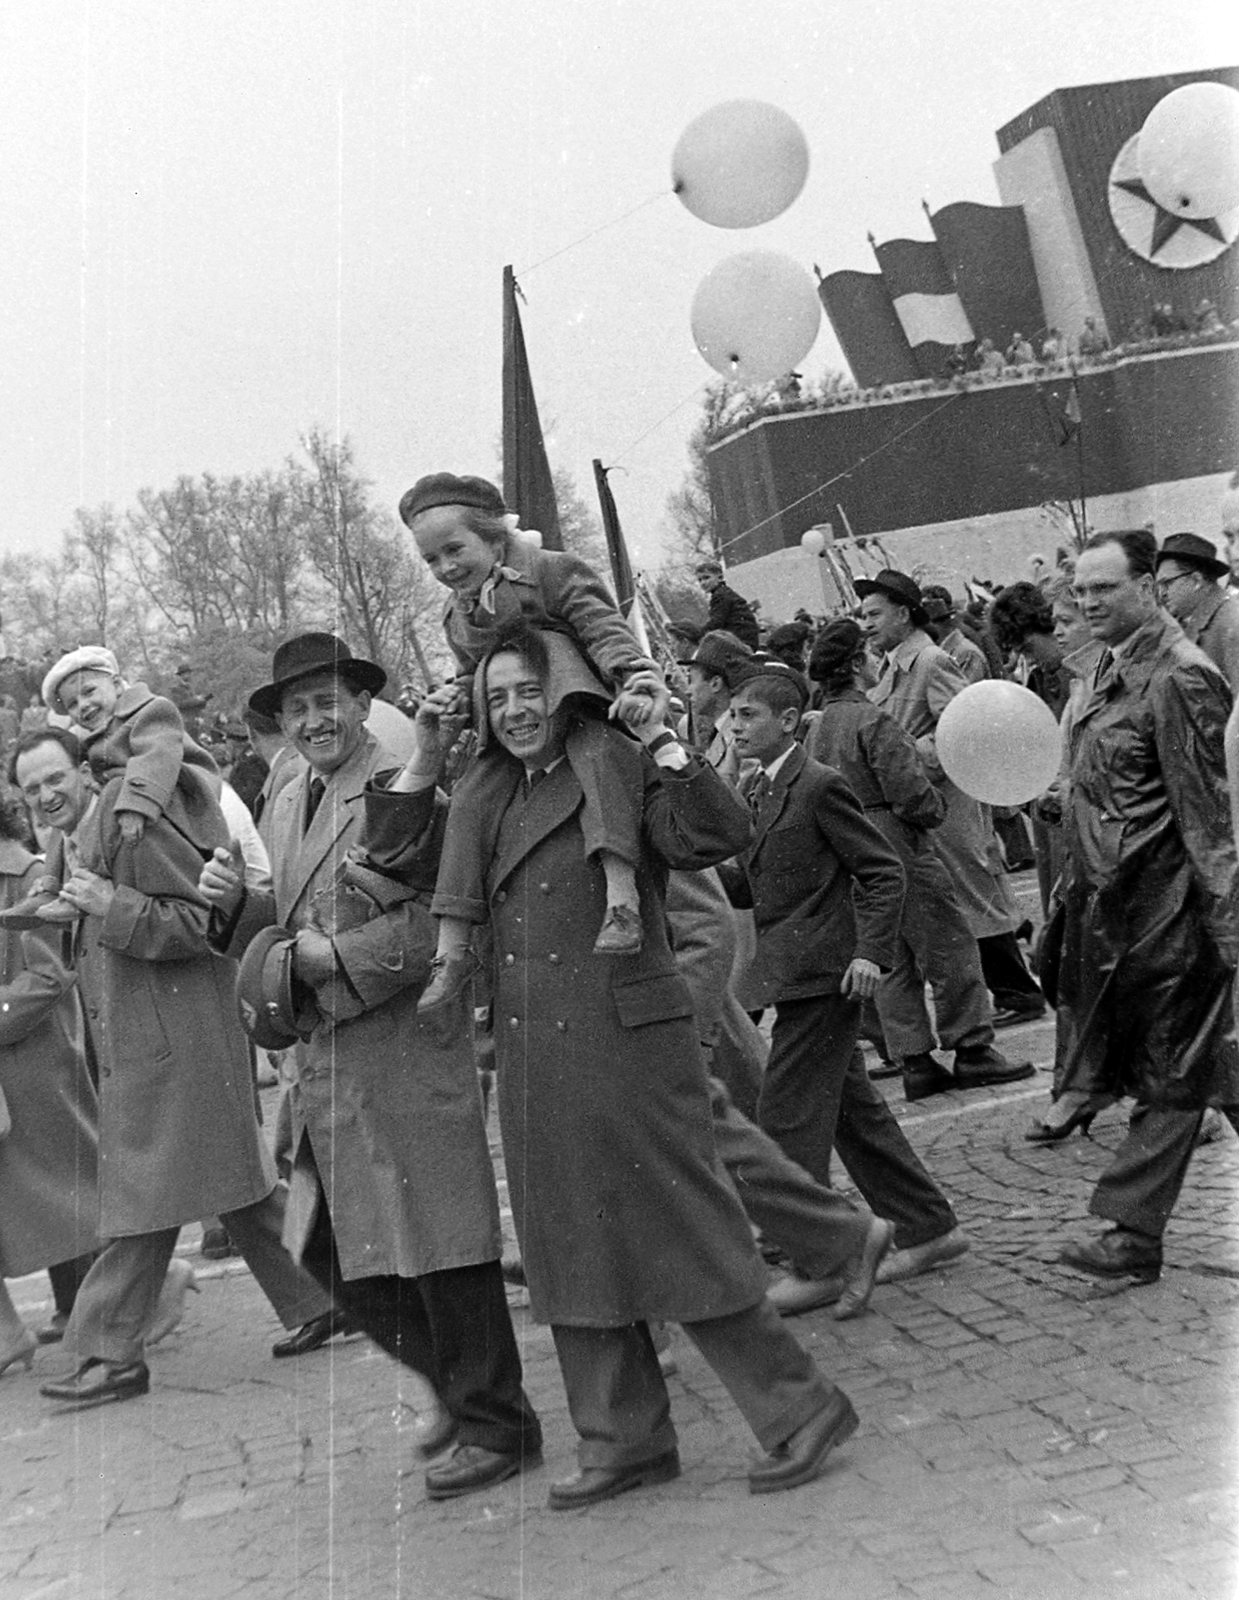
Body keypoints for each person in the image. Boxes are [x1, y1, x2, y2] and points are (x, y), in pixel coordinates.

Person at [387, 622, 864, 1506]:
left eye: (528, 690)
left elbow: (713, 833)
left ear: (563, 687)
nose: (515, 711)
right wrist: (423, 755)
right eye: (497, 699)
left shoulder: (613, 757)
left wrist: (666, 739)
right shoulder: (483, 786)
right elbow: (394, 864)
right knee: (569, 1245)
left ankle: (800, 1411)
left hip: (628, 1046)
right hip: (534, 1051)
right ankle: (623, 1440)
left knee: (678, 1231)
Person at [201, 632, 542, 1499]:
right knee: (316, 1241)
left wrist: (337, 959)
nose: (314, 720)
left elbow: (445, 920)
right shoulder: (287, 799)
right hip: (326, 1064)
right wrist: (234, 905)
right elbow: (282, 918)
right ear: (280, 725)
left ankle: (497, 1424)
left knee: (443, 1241)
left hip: (400, 1044)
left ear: (360, 706)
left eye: (327, 702)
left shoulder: (402, 786)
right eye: (296, 709)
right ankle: (453, 1391)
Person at [11, 728, 334, 1409]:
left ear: (86, 774)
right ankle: (322, 1296)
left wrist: (109, 905)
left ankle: (109, 1352)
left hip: (175, 1046)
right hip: (152, 1044)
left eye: (54, 778)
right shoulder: (76, 841)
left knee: (140, 1202)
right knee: (236, 1190)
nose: (45, 796)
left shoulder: (130, 827)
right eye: (32, 787)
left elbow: (203, 923)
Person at [728, 658, 970, 1288]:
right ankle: (928, 1228)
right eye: (731, 715)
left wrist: (871, 953)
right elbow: (750, 884)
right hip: (797, 972)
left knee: (782, 1117)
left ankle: (813, 1255)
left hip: (830, 977)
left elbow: (883, 871)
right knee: (851, 1115)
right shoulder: (759, 789)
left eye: (747, 715)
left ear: (788, 720)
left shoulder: (819, 784)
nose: (734, 726)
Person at [399, 472, 667, 988]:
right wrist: (456, 697)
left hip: (585, 713)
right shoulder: (457, 617)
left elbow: (603, 628)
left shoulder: (553, 572)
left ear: (495, 536)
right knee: (471, 796)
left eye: (454, 550)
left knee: (600, 765)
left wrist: (633, 677)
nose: (446, 568)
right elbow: (467, 671)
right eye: (431, 560)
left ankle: (620, 893)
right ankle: (451, 948)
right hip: (514, 735)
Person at [1055, 531, 1239, 1280]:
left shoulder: (1179, 677)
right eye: (1080, 590)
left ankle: (1130, 1236)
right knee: (1207, 1068)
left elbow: (1209, 814)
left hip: (1177, 911)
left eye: (1104, 588)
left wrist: (1227, 924)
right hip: (1127, 908)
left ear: (1148, 588)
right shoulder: (1111, 667)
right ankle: (1131, 1238)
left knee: (1173, 1066)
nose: (1088, 602)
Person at [807, 620, 1025, 1101]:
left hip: (851, 847)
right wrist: (934, 810)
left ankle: (914, 1059)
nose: (874, 660)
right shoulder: (873, 720)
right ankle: (971, 1047)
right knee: (949, 944)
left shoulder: (818, 727)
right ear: (855, 665)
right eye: (866, 654)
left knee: (890, 957)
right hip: (895, 839)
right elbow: (909, 793)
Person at [859, 570, 1046, 1035]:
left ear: (904, 614)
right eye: (863, 616)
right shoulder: (892, 666)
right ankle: (1010, 990)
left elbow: (965, 728)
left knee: (973, 896)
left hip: (946, 805)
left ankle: (1018, 992)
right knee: (960, 902)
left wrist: (907, 757)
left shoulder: (931, 661)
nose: (866, 623)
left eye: (874, 614)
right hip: (920, 808)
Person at [0, 647, 219, 928]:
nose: (84, 706)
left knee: (102, 799)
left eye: (89, 692)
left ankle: (84, 888)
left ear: (117, 684)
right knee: (64, 818)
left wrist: (136, 803)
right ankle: (52, 886)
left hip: (179, 797)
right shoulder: (95, 734)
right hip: (134, 797)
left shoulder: (151, 711)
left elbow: (156, 757)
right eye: (73, 704)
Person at [0, 796, 99, 1376]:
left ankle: (154, 1280)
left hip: (36, 1059)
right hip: (15, 1061)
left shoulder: (30, 874)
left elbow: (49, 974)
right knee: (55, 1195)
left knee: (67, 1189)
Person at [1154, 532, 1239, 694]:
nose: (1161, 593)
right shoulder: (1181, 621)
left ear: (1196, 581)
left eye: (1167, 583)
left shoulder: (1232, 624)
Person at [680, 631, 755, 785]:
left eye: (692, 680)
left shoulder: (740, 739)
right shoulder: (723, 732)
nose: (687, 691)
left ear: (715, 683)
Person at [695, 560, 761, 649]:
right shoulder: (724, 592)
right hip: (746, 638)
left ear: (720, 577)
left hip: (741, 641)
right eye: (700, 580)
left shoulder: (720, 595)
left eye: (706, 578)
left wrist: (697, 636)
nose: (703, 583)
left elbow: (716, 622)